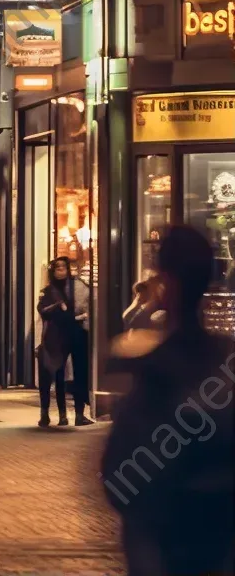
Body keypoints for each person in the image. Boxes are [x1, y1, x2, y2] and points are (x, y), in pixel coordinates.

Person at [102, 225, 235, 576]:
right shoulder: (224, 362)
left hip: (165, 547)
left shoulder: (157, 370)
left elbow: (119, 478)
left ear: (167, 284)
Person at [36, 256, 92, 427]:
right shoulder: (48, 291)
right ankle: (57, 415)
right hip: (56, 335)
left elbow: (87, 304)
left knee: (80, 373)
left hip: (76, 332)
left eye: (63, 267)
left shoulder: (78, 285)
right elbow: (42, 311)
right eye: (57, 267)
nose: (60, 270)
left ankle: (79, 414)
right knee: (56, 374)